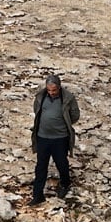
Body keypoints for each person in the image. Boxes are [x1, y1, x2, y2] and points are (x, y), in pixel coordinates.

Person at [29, 74, 80, 205]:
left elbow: (75, 115)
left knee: (61, 163)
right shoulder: (41, 96)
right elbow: (37, 111)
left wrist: (62, 123)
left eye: (54, 90)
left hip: (60, 138)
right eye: (49, 90)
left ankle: (65, 184)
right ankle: (38, 195)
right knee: (41, 166)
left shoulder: (68, 98)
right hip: (42, 137)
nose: (51, 93)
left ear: (59, 87)